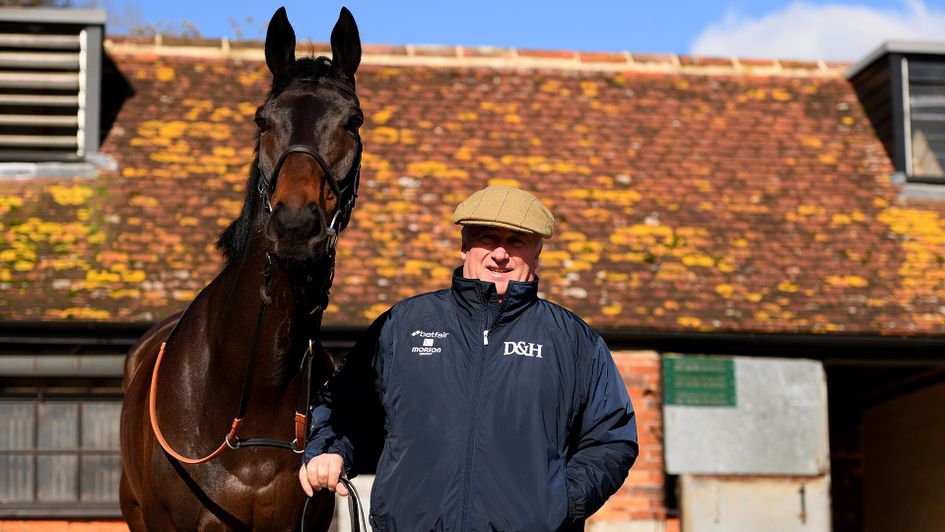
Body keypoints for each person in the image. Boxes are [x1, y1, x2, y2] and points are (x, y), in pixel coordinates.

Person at [300, 185, 638, 531]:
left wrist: (560, 503)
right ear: (464, 246)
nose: (501, 254)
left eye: (517, 241)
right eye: (488, 238)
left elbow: (611, 438)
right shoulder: (403, 325)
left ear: (537, 254)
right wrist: (330, 449)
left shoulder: (572, 341)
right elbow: (342, 406)